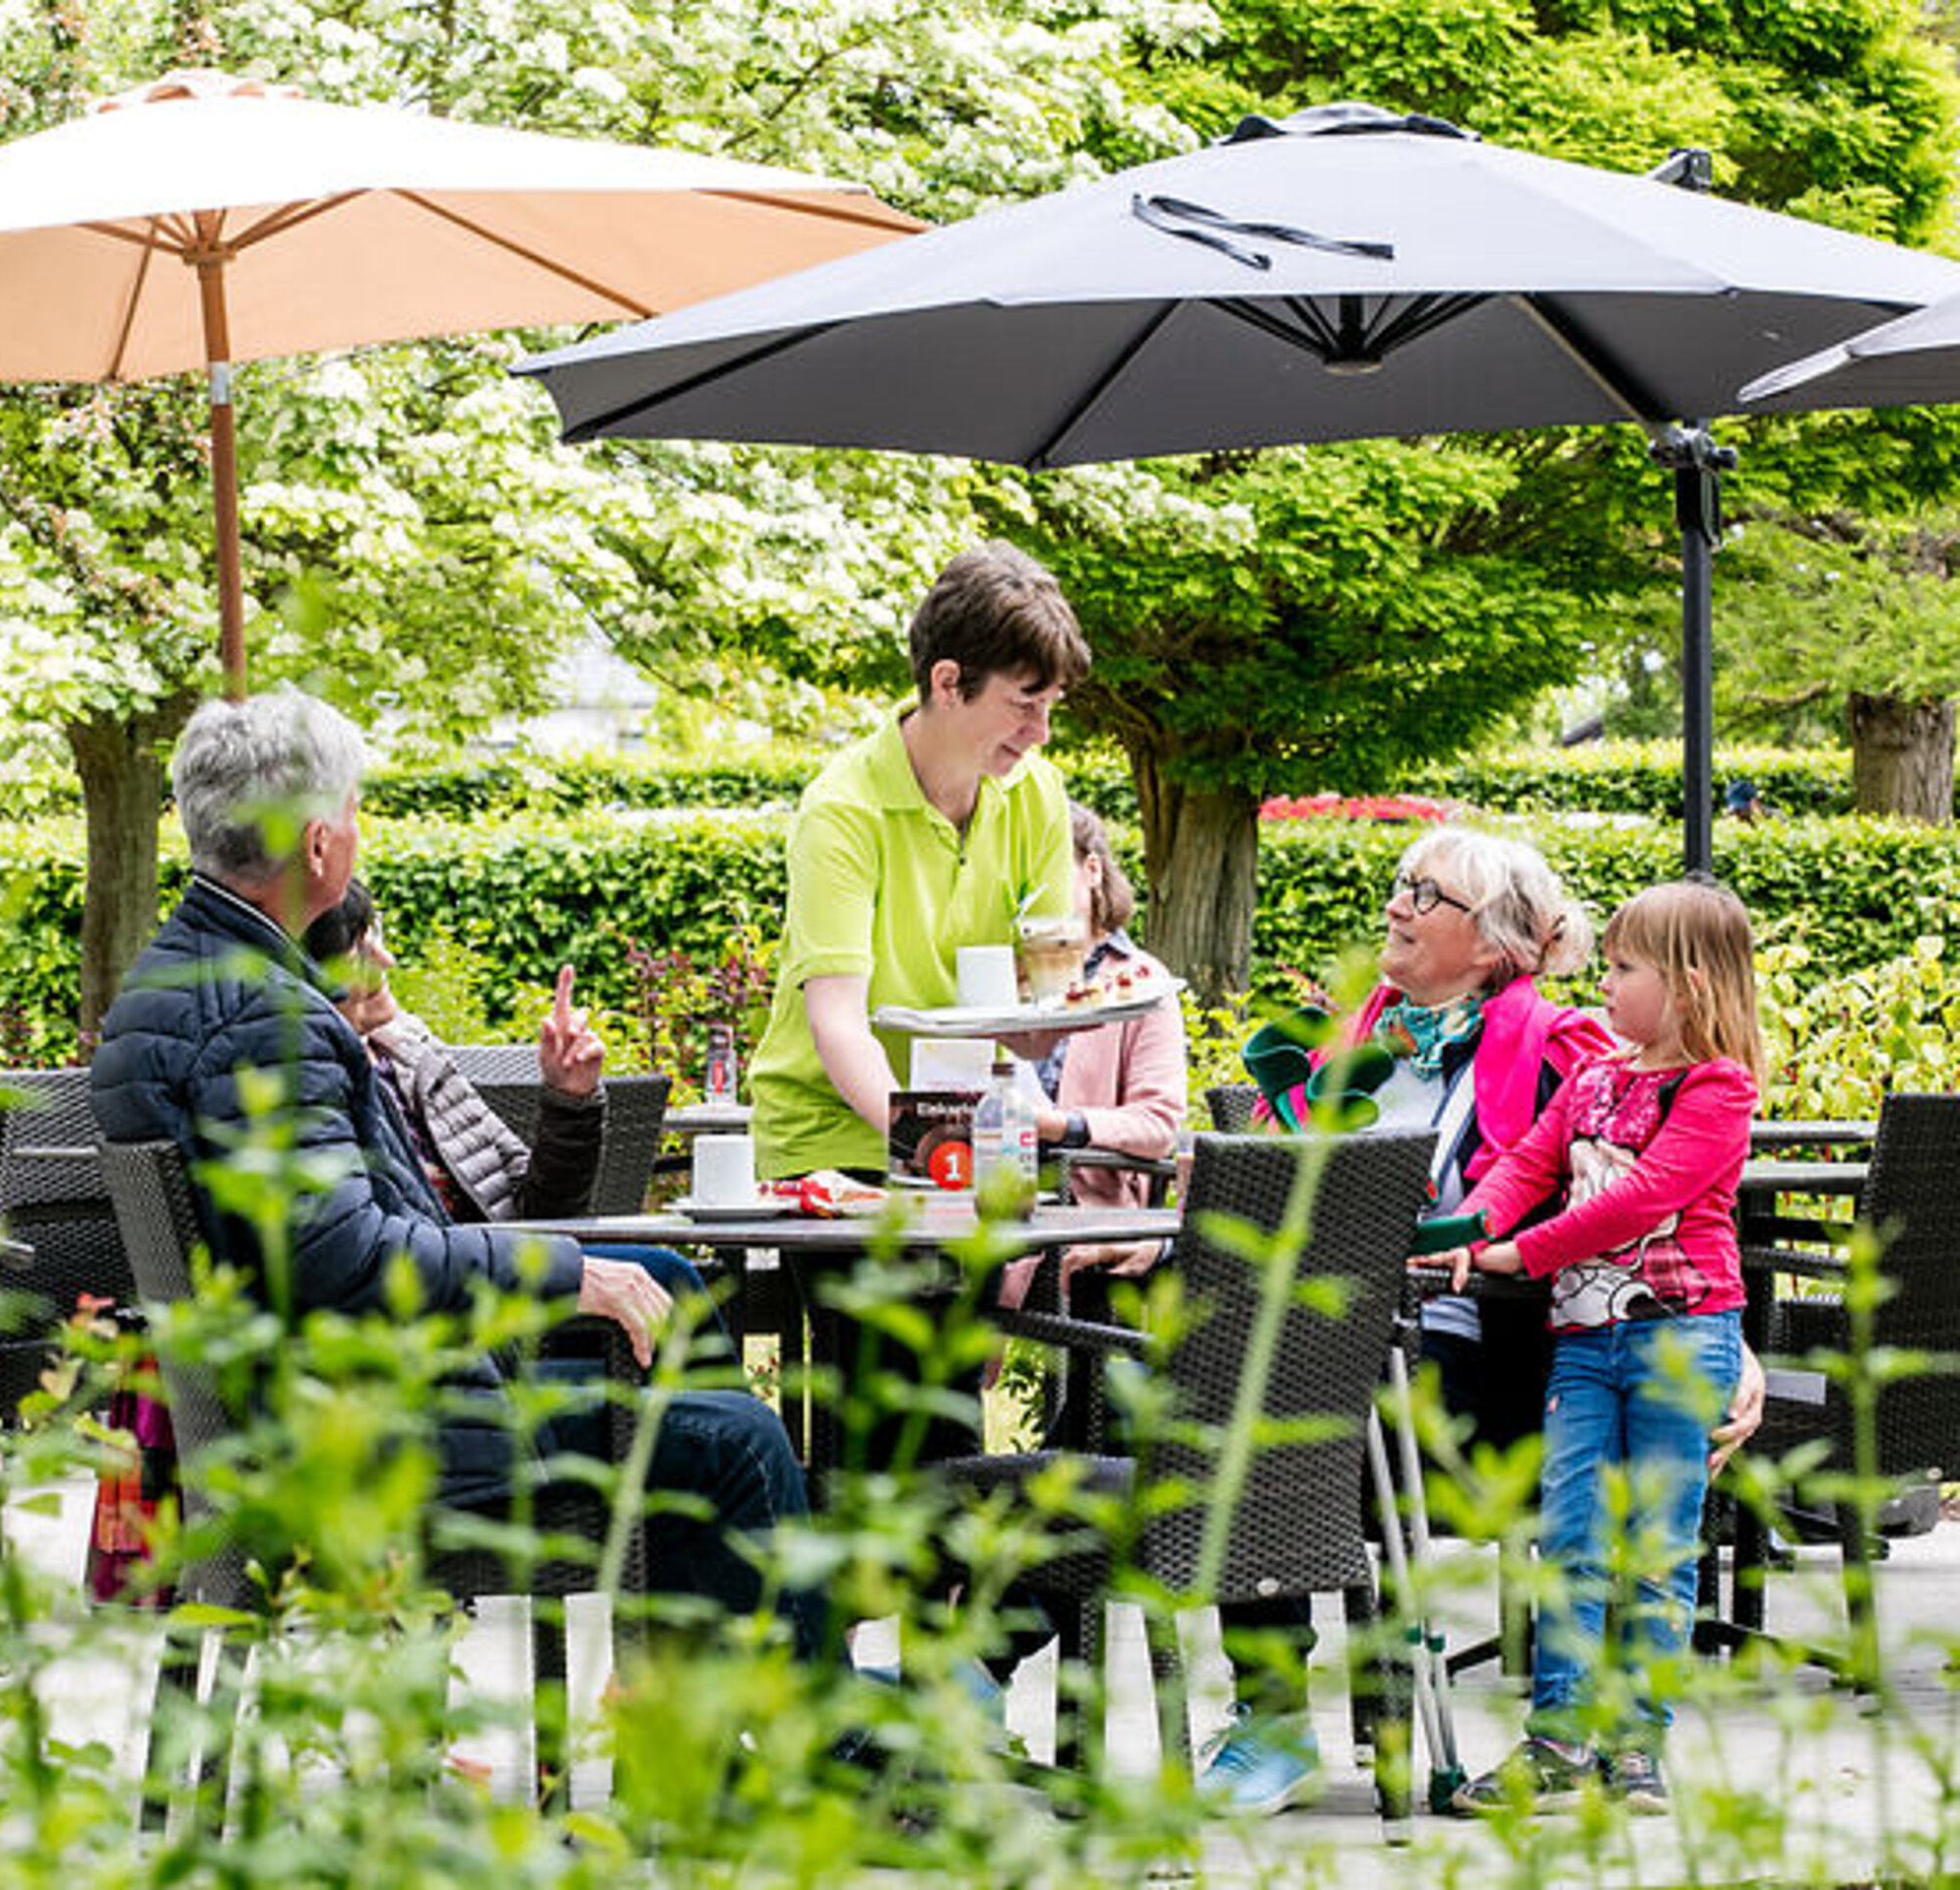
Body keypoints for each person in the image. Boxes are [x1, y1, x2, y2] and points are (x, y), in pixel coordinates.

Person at [89, 690, 821, 1660]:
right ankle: (812, 1749)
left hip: (305, 1400)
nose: (357, 831)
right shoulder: (264, 1017)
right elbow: (342, 1253)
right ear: (316, 847)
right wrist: (567, 1271)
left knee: (671, 1299)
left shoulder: (176, 982)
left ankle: (685, 1712)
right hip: (374, 1435)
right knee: (738, 1441)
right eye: (352, 810)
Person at [1202, 826, 1766, 1815]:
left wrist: (1734, 1351)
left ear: (1497, 939)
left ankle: (1611, 1739)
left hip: (1478, 1355)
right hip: (1323, 1331)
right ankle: (1271, 1714)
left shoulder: (1569, 1053)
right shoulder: (1342, 1046)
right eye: (1397, 884)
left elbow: (1652, 1197)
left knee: (1269, 1396)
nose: (1395, 905)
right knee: (1222, 1380)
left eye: (1425, 892)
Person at [1423, 879, 1761, 1815]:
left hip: (1682, 1339)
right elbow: (1530, 1162)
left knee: (1656, 1547)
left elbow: (1640, 1198)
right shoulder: (1594, 1077)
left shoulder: (1718, 1088)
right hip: (1582, 1342)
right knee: (1567, 1538)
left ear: (1689, 986)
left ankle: (1640, 1744)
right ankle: (1559, 1742)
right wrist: (1465, 1228)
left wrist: (1517, 1251)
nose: (1602, 984)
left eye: (1622, 969)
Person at [750, 542, 1092, 1181]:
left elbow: (1046, 1001)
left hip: (972, 1127)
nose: (1042, 732)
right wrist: (933, 1145)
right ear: (948, 682)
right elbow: (839, 1024)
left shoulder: (1039, 792)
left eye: (1052, 706)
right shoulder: (843, 808)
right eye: (1024, 703)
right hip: (832, 1141)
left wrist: (1052, 1013)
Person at [301, 878, 732, 1355]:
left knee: (670, 1279)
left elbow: (543, 1213)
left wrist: (569, 1100)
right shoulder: (328, 1084)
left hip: (514, 1282)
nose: (387, 960)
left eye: (376, 935)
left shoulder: (413, 1058)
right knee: (675, 1291)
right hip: (465, 1322)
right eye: (362, 948)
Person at [1007, 802, 1188, 1305]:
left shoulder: (1139, 983)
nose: (1033, 890)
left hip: (1086, 1207)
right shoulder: (996, 978)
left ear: (1092, 870)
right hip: (983, 1196)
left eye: (1047, 869)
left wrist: (1059, 1124)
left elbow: (1159, 1122)